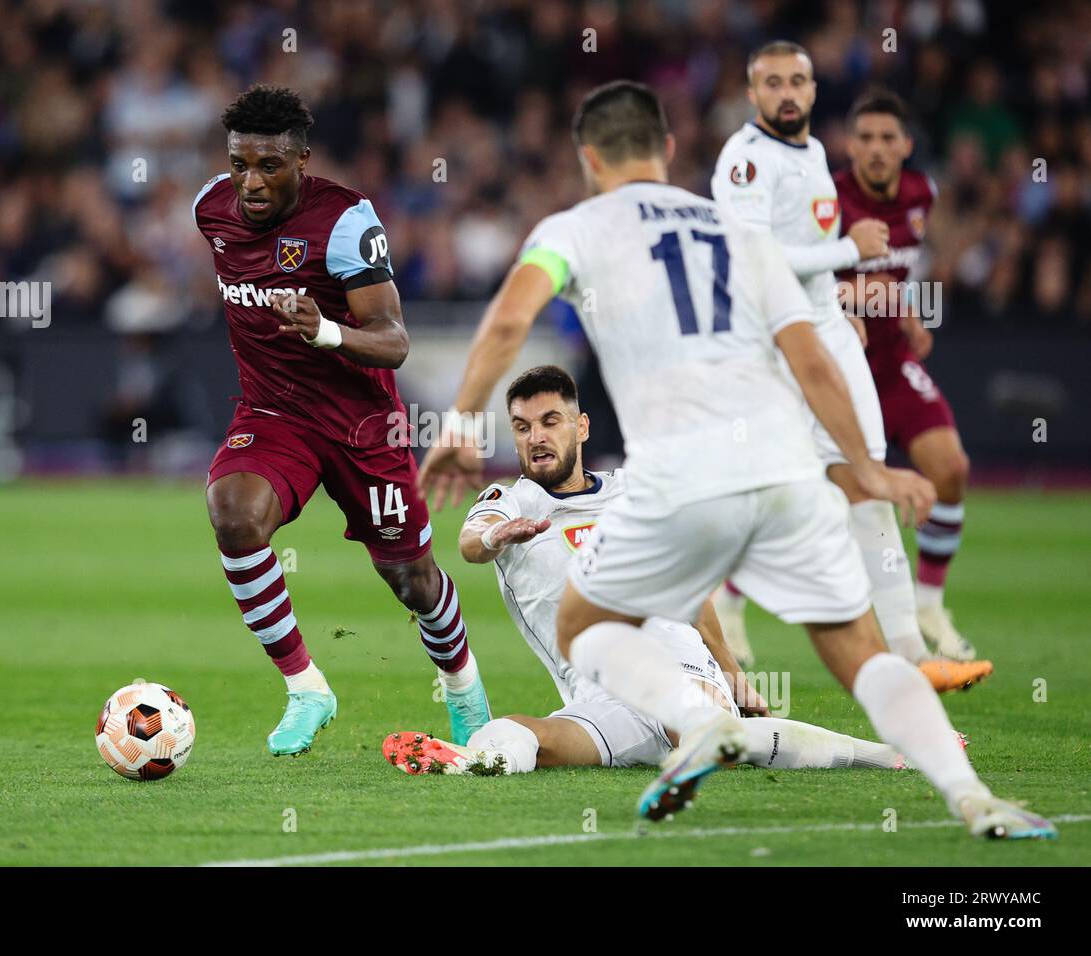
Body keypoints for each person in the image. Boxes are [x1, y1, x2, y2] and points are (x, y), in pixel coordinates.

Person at [418, 80, 1052, 839]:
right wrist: (867, 465)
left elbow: (510, 319)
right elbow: (815, 355)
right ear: (671, 149)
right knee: (860, 649)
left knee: (585, 621)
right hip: (779, 462)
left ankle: (698, 722)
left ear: (589, 158)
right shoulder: (739, 232)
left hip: (680, 469)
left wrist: (459, 423)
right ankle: (972, 794)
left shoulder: (575, 228)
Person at [386, 365, 917, 778]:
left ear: (581, 425)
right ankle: (477, 760)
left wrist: (733, 673)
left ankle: (885, 752)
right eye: (522, 428)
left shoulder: (633, 493)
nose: (536, 438)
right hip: (600, 697)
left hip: (680, 664)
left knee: (691, 717)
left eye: (550, 422)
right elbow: (470, 544)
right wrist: (496, 537)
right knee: (523, 735)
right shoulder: (508, 499)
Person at [194, 85, 490, 755]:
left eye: (269, 165)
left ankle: (466, 692)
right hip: (274, 416)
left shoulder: (347, 221)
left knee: (411, 580)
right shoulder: (209, 208)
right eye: (240, 163)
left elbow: (393, 339)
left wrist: (326, 331)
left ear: (302, 159)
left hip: (362, 425)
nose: (252, 181)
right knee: (234, 514)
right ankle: (306, 688)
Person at [708, 42, 990, 691]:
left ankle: (913, 654)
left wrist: (837, 296)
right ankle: (709, 638)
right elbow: (751, 260)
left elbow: (804, 254)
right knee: (769, 491)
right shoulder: (747, 161)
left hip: (827, 331)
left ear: (812, 91)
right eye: (771, 81)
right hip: (772, 342)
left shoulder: (808, 155)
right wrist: (844, 254)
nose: (786, 92)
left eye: (796, 81)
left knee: (868, 484)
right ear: (752, 94)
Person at [836, 88, 977, 661]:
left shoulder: (923, 193)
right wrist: (847, 298)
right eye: (865, 138)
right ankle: (736, 608)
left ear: (907, 146)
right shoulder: (828, 199)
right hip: (838, 365)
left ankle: (928, 604)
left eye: (887, 138)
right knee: (815, 498)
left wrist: (910, 310)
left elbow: (904, 267)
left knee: (951, 468)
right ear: (850, 145)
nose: (875, 149)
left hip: (891, 361)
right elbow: (791, 277)